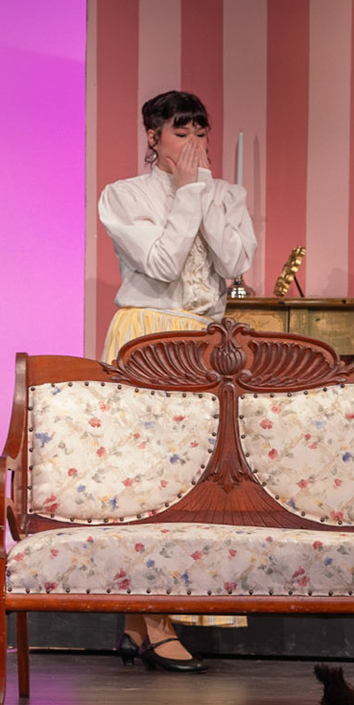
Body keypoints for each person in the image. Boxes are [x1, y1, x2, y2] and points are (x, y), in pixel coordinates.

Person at [97, 90, 258, 673]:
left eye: (200, 133)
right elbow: (163, 264)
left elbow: (235, 264)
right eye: (180, 133)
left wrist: (204, 193)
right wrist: (189, 193)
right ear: (153, 137)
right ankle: (155, 623)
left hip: (206, 340)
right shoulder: (123, 196)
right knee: (146, 481)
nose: (194, 144)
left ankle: (138, 622)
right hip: (149, 335)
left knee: (196, 481)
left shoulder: (227, 194)